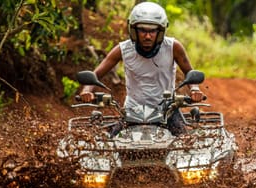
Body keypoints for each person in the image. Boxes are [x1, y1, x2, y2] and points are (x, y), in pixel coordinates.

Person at [79, 1, 204, 136]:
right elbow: (96, 75)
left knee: (185, 145)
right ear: (134, 30)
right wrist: (87, 91)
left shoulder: (173, 47)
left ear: (160, 31)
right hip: (132, 111)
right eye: (143, 30)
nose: (148, 36)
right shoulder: (123, 49)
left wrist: (195, 89)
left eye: (152, 31)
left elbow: (190, 73)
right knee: (110, 146)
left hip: (167, 110)